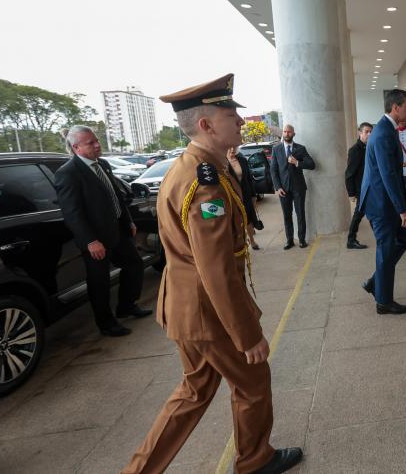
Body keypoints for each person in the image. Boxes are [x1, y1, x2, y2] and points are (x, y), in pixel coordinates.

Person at [123, 74, 302, 474]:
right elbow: (216, 268)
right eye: (229, 114)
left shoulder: (198, 167)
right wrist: (247, 333)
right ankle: (255, 460)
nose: (239, 122)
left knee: (193, 393)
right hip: (208, 312)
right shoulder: (202, 183)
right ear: (205, 125)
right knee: (253, 382)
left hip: (188, 308)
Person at [55, 126, 150, 337]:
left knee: (134, 265)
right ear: (76, 147)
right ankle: (106, 324)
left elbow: (114, 195)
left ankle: (126, 305)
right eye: (91, 143)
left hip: (118, 229)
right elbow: (72, 213)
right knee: (100, 282)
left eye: (96, 140)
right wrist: (90, 241)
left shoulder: (103, 165)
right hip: (95, 238)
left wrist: (128, 221)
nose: (98, 145)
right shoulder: (68, 173)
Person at [359, 89, 406, 315]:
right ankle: (383, 302)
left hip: (385, 201)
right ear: (395, 108)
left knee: (404, 238)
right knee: (387, 247)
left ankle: (375, 282)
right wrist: (403, 209)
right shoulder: (382, 133)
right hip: (379, 204)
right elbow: (387, 174)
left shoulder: (387, 129)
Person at [270, 124, 316, 250]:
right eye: (284, 131)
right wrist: (277, 187)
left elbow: (312, 165)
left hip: (298, 188)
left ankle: (302, 240)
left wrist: (297, 163)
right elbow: (273, 170)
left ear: (293, 134)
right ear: (282, 133)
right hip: (283, 189)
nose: (286, 134)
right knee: (287, 215)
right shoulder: (276, 149)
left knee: (300, 214)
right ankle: (289, 240)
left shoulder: (300, 149)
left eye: (289, 132)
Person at [227, 146, 263, 250]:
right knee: (236, 221)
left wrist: (253, 195)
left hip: (245, 194)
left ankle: (251, 240)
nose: (232, 150)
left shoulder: (242, 160)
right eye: (230, 148)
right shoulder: (222, 163)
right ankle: (239, 242)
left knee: (249, 219)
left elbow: (249, 179)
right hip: (232, 197)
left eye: (234, 147)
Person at [345, 122, 373, 249]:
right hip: (361, 189)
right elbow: (349, 173)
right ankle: (351, 240)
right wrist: (351, 193)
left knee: (372, 213)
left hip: (370, 187)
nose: (369, 134)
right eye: (366, 131)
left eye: (371, 131)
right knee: (359, 214)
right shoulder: (355, 150)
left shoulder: (369, 147)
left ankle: (382, 237)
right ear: (360, 133)